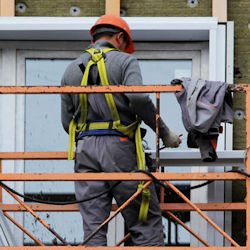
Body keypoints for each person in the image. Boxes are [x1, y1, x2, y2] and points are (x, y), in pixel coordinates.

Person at [61, 14, 181, 246]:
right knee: (145, 223)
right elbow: (138, 98)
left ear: (94, 38)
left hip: (84, 151)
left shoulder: (70, 70)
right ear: (120, 37)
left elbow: (67, 123)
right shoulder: (125, 62)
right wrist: (164, 132)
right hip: (120, 148)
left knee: (93, 230)